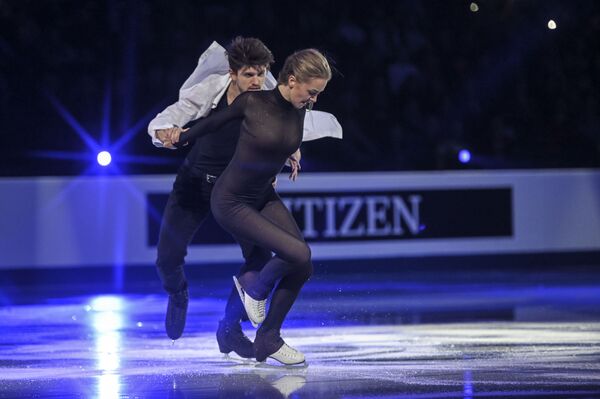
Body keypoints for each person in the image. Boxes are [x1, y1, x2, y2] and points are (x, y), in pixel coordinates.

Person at [149, 38, 341, 360]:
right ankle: (178, 292)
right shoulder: (209, 90)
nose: (256, 81)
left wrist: (291, 150)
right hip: (196, 185)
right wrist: (164, 132)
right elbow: (173, 116)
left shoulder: (268, 91)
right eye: (249, 75)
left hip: (239, 190)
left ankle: (229, 328)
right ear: (232, 73)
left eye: (261, 74)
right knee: (167, 259)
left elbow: (285, 117)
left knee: (260, 259)